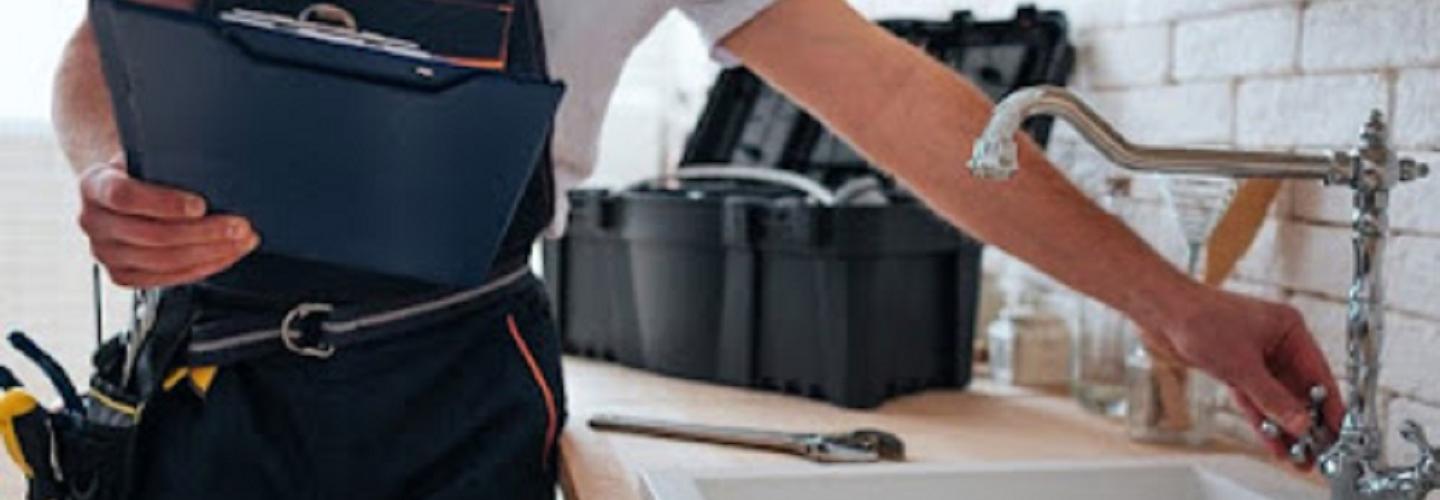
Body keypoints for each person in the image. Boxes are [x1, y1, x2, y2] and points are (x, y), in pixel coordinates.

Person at [52, 0, 1342, 498]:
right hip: (211, 396)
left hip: (453, 410)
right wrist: (106, 168)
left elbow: (904, 101)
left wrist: (1175, 306)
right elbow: (94, 54)